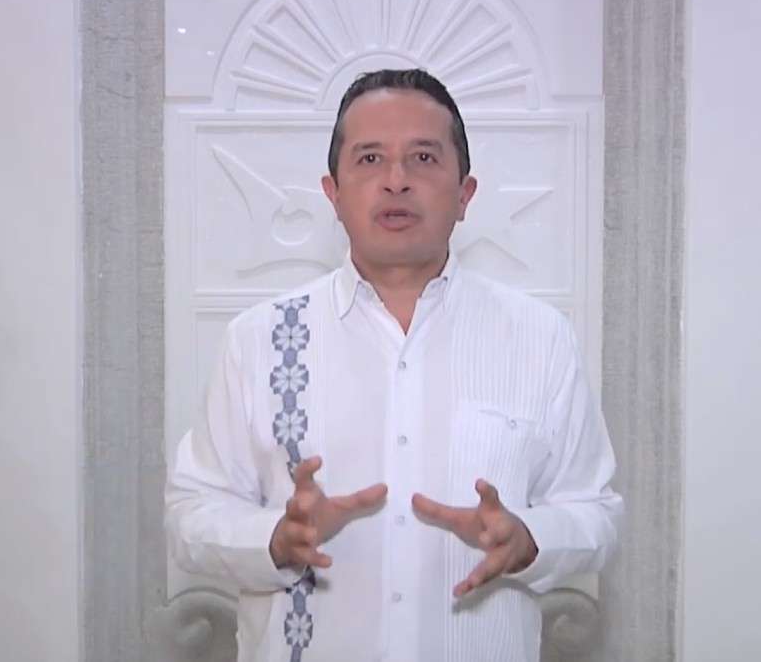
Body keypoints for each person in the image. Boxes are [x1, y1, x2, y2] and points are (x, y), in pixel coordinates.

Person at [165, 68, 623, 662]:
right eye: (370, 158)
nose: (396, 180)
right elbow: (191, 513)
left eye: (424, 158)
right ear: (333, 193)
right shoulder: (256, 341)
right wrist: (275, 538)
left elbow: (596, 513)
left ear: (465, 194)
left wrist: (531, 539)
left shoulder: (541, 338)